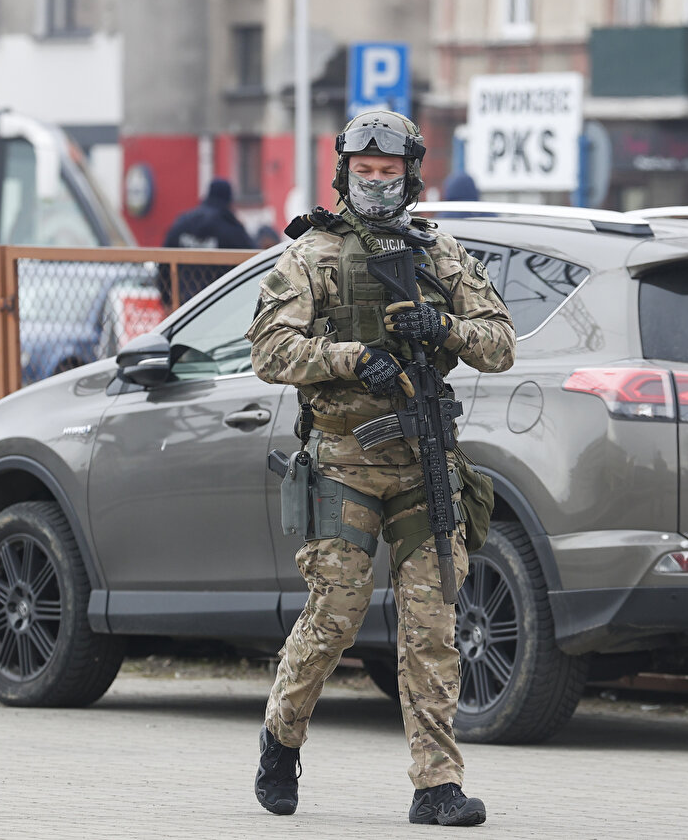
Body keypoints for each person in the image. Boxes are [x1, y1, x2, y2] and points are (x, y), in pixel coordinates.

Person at [245, 111, 515, 826]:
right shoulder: (314, 256)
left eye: (386, 174)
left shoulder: (439, 253)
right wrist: (347, 357)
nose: (373, 185)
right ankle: (281, 736)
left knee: (432, 621)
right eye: (362, 174)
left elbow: (500, 343)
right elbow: (269, 351)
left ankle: (436, 785)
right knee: (335, 610)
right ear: (344, 174)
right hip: (343, 458)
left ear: (408, 176)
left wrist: (444, 328)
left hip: (422, 458)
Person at [160, 178, 253, 307]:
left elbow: (163, 263)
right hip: (219, 306)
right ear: (229, 200)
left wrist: (166, 300)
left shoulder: (183, 223)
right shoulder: (231, 228)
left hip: (183, 308)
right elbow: (253, 262)